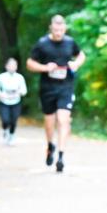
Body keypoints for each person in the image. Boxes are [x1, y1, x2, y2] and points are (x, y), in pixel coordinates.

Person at [26, 15, 86, 172]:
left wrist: (76, 64)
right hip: (47, 88)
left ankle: (61, 155)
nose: (58, 33)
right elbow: (29, 63)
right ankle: (50, 145)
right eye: (56, 30)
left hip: (65, 87)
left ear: (64, 29)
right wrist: (45, 68)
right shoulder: (43, 43)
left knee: (63, 119)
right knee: (49, 122)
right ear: (51, 28)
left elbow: (81, 55)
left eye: (61, 30)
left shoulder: (70, 42)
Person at [0, 57, 27, 145]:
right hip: (4, 101)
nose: (12, 67)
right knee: (5, 119)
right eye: (10, 65)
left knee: (14, 120)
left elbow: (24, 89)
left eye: (14, 65)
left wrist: (19, 93)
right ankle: (5, 131)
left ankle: (11, 135)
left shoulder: (20, 77)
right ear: (6, 66)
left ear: (16, 67)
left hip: (16, 101)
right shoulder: (1, 77)